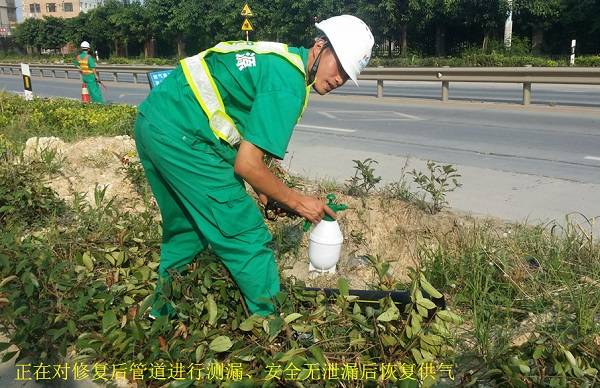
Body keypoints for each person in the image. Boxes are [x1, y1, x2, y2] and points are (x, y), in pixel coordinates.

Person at [134, 15, 374, 319]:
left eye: (347, 74)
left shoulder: (280, 61)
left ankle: (161, 314)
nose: (340, 78)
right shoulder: (288, 83)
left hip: (155, 122)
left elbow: (244, 140)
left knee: (186, 231)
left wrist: (268, 193)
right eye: (339, 65)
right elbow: (247, 165)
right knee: (245, 234)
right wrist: (298, 202)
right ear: (320, 45)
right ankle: (273, 328)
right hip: (185, 138)